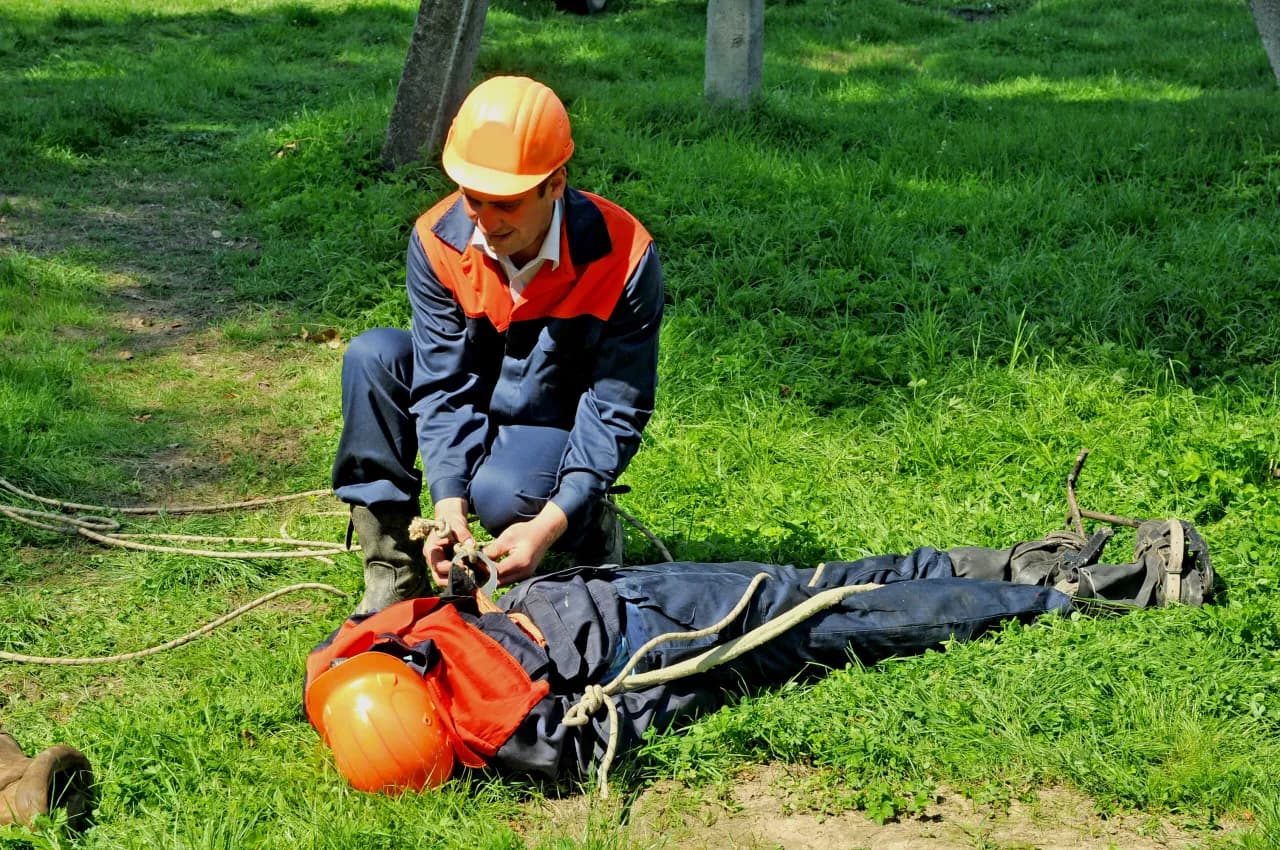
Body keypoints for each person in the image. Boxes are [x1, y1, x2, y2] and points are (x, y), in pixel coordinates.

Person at [303, 519, 1212, 792]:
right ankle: (1047, 578)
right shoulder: (363, 659)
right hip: (617, 606)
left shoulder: (482, 727)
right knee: (824, 593)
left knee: (834, 611)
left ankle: (1063, 586)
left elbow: (594, 738)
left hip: (635, 617)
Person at [331, 75, 664, 614]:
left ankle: (585, 518)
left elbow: (615, 408)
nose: (486, 223)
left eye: (506, 203)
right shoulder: (437, 239)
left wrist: (549, 522)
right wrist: (447, 505)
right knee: (373, 357)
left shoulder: (623, 254)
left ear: (555, 184)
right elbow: (442, 384)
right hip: (474, 390)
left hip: (548, 419)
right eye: (473, 199)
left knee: (504, 498)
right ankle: (393, 568)